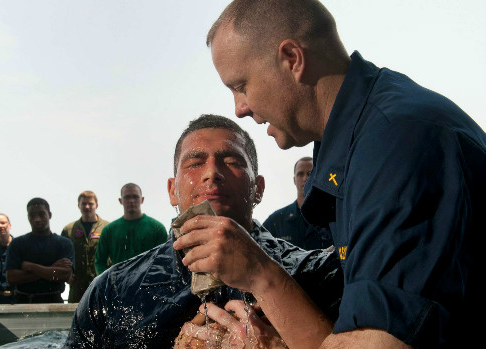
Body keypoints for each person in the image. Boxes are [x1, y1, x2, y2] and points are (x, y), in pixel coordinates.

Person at [200, 0, 486, 348]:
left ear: (292, 59)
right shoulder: (363, 136)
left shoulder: (396, 143)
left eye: (241, 85)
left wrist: (262, 278)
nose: (239, 109)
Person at [61, 114, 343, 348]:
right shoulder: (112, 292)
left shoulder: (315, 274)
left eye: (232, 161)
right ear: (172, 191)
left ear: (258, 188)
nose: (211, 172)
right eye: (195, 163)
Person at [5, 198, 74, 304]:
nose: (37, 219)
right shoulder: (17, 244)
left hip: (53, 301)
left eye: (41, 214)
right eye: (32, 215)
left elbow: (64, 275)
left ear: (49, 215)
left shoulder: (64, 243)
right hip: (23, 302)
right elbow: (12, 278)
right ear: (28, 217)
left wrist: (31, 267)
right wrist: (51, 269)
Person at [94, 183, 167, 274]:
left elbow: (165, 260)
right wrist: (109, 283)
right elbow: (100, 262)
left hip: (149, 284)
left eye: (135, 197)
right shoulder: (109, 231)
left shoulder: (157, 228)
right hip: (119, 286)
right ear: (120, 200)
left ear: (142, 199)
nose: (131, 200)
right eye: (127, 197)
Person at [263, 157, 332, 250]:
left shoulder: (332, 218)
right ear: (294, 180)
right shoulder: (276, 221)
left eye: (310, 173)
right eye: (300, 174)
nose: (305, 178)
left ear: (317, 177)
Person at [61, 191, 110, 303]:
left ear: (96, 206)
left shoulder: (107, 228)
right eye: (84, 204)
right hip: (77, 285)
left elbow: (114, 253)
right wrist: (66, 276)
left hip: (101, 282)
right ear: (79, 205)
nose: (87, 207)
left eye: (90, 204)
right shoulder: (69, 230)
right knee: (76, 316)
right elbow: (62, 256)